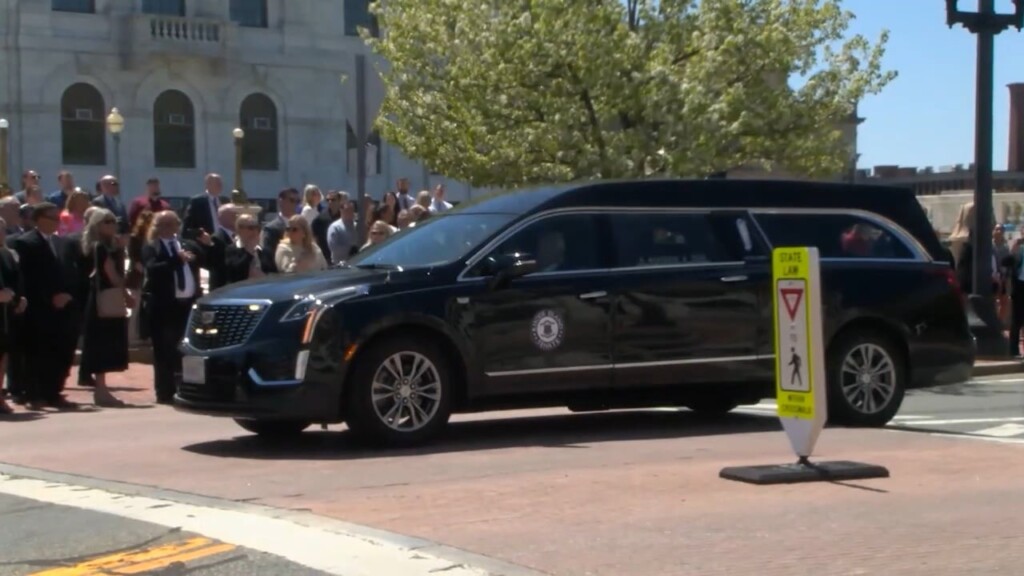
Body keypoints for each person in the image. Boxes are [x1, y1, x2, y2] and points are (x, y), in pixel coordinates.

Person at [8, 202, 77, 410]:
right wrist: (50, 298)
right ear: (38, 219)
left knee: (61, 351)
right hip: (38, 308)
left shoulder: (63, 243)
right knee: (37, 353)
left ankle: (54, 392)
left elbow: (71, 272)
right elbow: (27, 279)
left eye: (58, 218)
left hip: (63, 307)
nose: (56, 222)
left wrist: (67, 294)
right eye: (51, 218)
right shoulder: (25, 243)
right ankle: (34, 393)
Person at [141, 210, 210, 404]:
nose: (169, 229)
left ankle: (187, 388)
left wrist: (205, 246)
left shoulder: (187, 245)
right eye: (163, 224)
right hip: (164, 307)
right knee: (164, 350)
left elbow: (204, 259)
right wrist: (175, 260)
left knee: (185, 349)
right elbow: (153, 269)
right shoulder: (152, 247)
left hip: (187, 305)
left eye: (172, 224)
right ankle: (164, 392)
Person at [79, 209, 131, 407]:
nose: (112, 225)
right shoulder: (101, 247)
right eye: (106, 222)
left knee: (105, 343)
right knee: (102, 344)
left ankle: (102, 389)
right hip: (103, 299)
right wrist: (124, 291)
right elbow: (111, 274)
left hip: (103, 298)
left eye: (113, 221)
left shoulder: (107, 245)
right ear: (97, 225)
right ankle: (101, 390)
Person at [0, 219, 26, 414]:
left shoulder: (7, 254)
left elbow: (14, 280)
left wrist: (19, 298)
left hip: (5, 314)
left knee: (3, 356)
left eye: (2, 229)